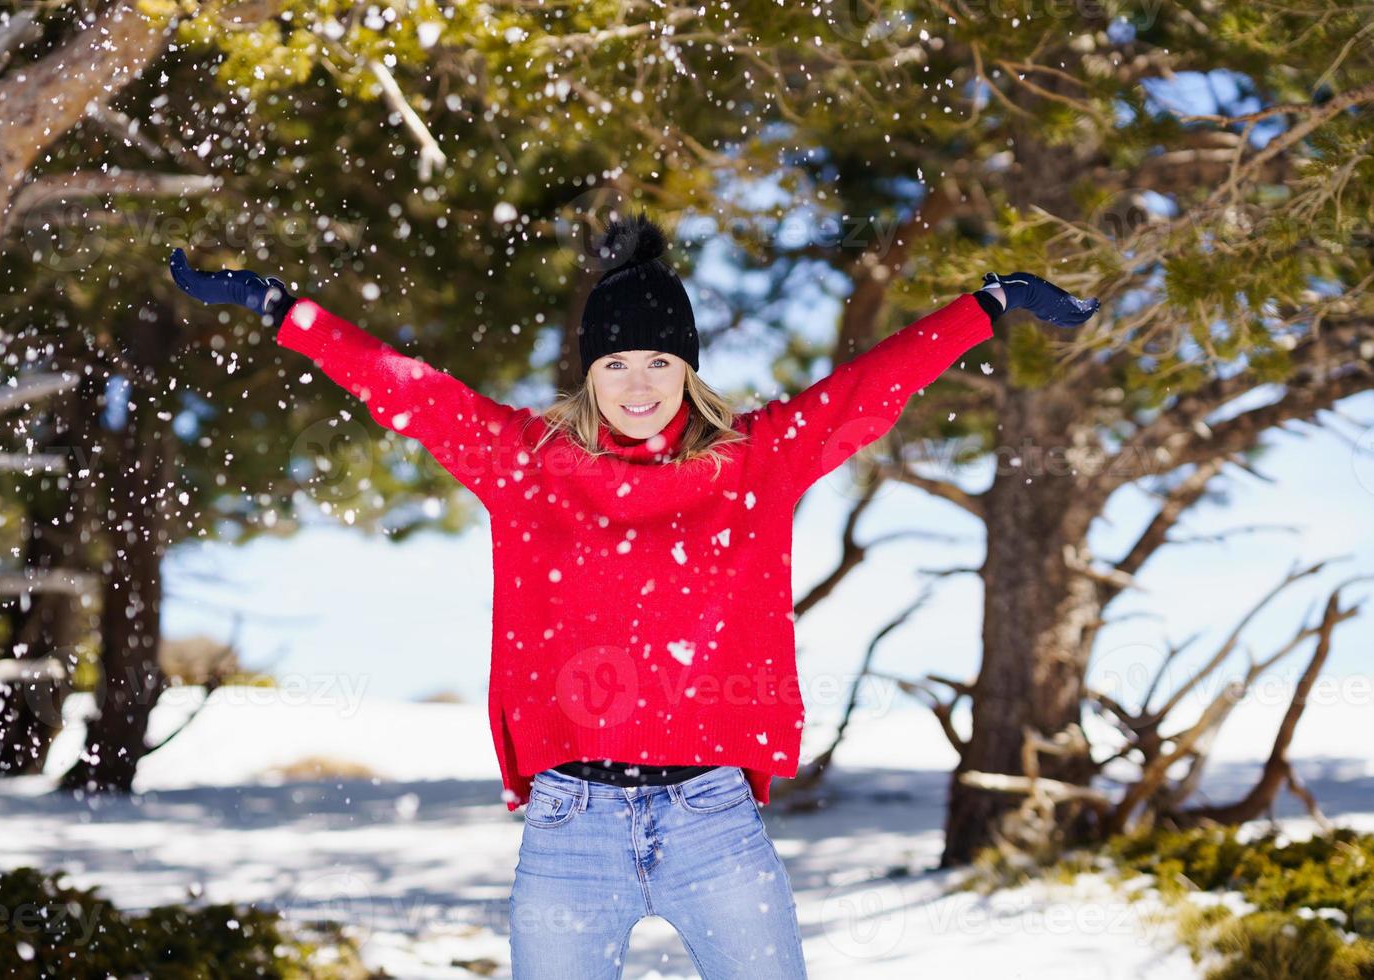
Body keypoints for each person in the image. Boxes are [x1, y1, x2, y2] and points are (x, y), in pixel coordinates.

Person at [169, 214, 1098, 978]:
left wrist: (989, 305)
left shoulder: (754, 462)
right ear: (589, 372)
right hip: (572, 825)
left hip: (713, 822)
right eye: (616, 364)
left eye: (658, 362)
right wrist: (285, 311)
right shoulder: (527, 464)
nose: (638, 384)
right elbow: (404, 389)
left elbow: (868, 387)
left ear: (688, 368)